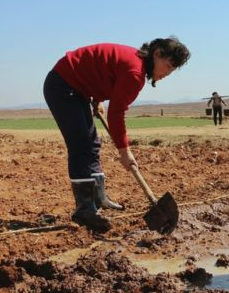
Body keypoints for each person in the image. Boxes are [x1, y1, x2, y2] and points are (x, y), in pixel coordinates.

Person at [43, 37, 190, 232]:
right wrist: (124, 151)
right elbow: (116, 112)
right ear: (157, 54)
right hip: (63, 86)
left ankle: (98, 198)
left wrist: (96, 98)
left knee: (92, 144)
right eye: (168, 66)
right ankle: (84, 210)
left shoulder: (135, 64)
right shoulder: (135, 72)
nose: (167, 74)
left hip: (75, 88)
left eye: (172, 71)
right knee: (81, 145)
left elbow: (101, 71)